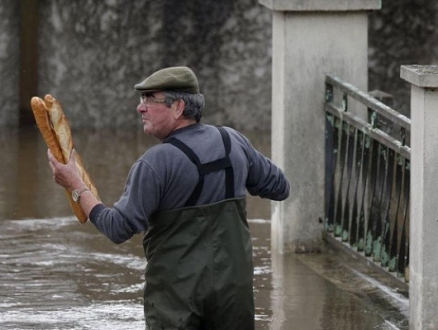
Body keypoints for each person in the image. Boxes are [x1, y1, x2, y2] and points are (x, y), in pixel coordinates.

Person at [48, 66, 290, 330]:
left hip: (176, 302)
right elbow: (280, 188)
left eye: (150, 99)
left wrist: (76, 186)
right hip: (234, 294)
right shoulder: (234, 141)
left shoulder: (155, 163)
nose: (140, 108)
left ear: (178, 107)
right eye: (142, 100)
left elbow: (117, 228)